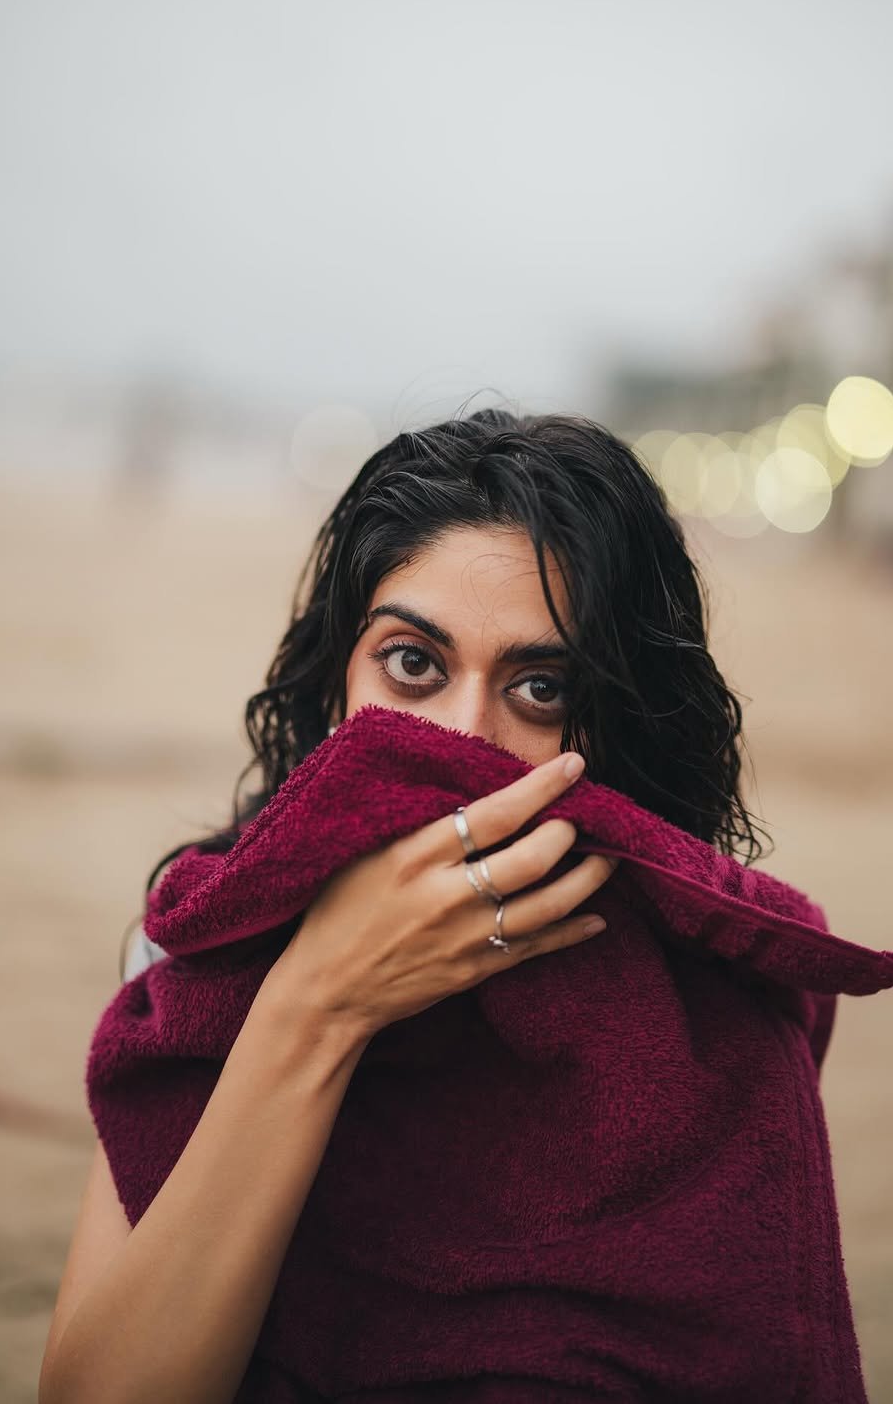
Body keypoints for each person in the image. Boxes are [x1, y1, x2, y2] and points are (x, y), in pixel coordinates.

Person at [39, 406, 769, 1404]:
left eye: (542, 685)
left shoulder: (708, 1000)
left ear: (621, 721)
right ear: (339, 681)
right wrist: (320, 1001)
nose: (464, 736)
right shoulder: (212, 939)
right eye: (414, 662)